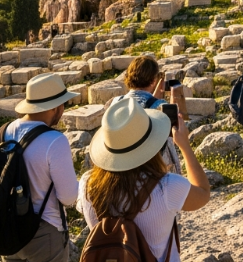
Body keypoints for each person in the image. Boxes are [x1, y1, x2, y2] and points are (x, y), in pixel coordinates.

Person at [78, 98, 211, 262]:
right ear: (151, 143)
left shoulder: (87, 184)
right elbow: (203, 193)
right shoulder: (167, 186)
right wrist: (185, 146)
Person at [0, 74, 80, 262]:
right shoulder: (55, 141)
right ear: (56, 107)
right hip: (44, 232)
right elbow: (68, 198)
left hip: (8, 229)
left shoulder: (2, 132)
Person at [110, 56, 187, 174]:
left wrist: (153, 98)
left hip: (122, 164)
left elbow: (138, 106)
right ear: (153, 81)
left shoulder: (116, 102)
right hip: (151, 168)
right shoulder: (160, 106)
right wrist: (174, 97)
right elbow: (176, 131)